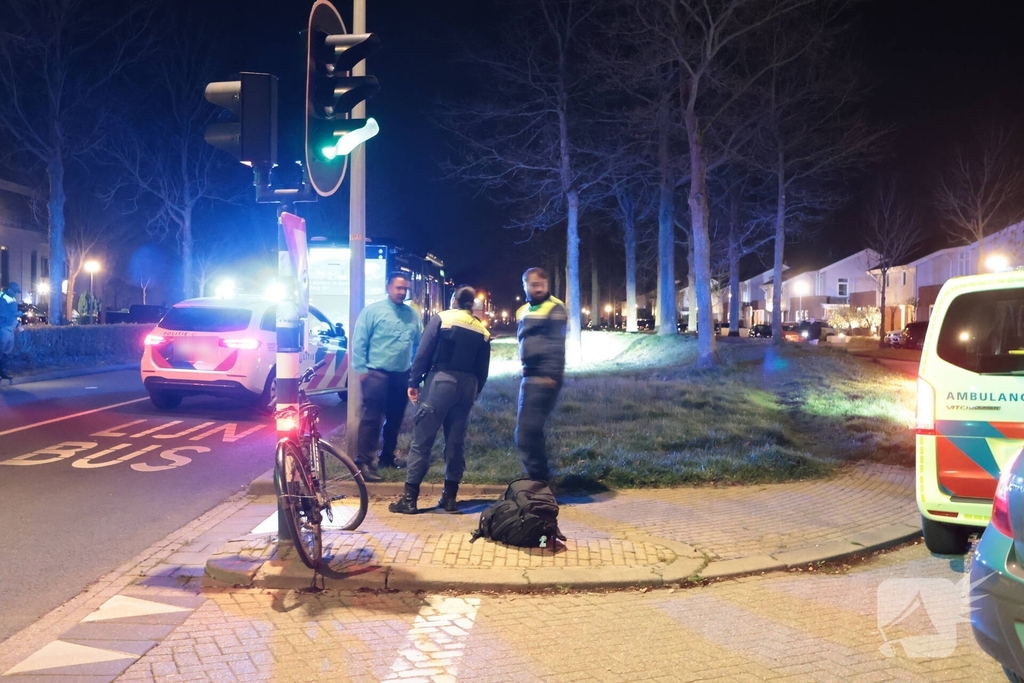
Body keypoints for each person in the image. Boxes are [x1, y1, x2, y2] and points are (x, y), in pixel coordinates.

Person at [389, 286, 491, 514]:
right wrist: (474, 392)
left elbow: (423, 353)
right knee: (455, 443)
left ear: (454, 300)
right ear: (472, 304)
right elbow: (482, 370)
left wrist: (413, 382)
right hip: (468, 387)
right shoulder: (482, 331)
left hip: (440, 382)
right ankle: (450, 498)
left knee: (422, 440)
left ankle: (409, 498)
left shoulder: (442, 319)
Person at [350, 272, 423, 482]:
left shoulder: (412, 315)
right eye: (398, 287)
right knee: (372, 418)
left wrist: (415, 373)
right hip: (376, 373)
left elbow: (418, 344)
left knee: (395, 419)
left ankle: (387, 457)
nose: (401, 292)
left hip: (402, 374)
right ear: (388, 287)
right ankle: (363, 462)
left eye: (404, 288)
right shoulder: (373, 311)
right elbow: (359, 341)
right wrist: (361, 369)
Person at [514, 267, 567, 482]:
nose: (539, 289)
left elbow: (556, 345)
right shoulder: (523, 311)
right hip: (530, 375)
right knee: (530, 431)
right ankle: (540, 478)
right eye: (534, 285)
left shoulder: (555, 308)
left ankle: (540, 481)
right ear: (525, 285)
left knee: (525, 433)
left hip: (544, 377)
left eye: (542, 285)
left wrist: (551, 375)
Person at [0, 282, 21, 382]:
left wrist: (17, 325)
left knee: (7, 353)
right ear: (9, 289)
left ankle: (3, 372)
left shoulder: (12, 298)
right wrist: (16, 313)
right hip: (2, 328)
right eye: (15, 292)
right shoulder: (2, 297)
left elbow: (12, 316)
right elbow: (2, 313)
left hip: (10, 329)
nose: (16, 294)